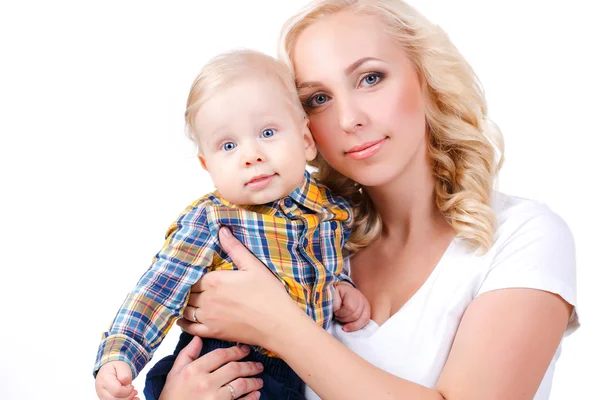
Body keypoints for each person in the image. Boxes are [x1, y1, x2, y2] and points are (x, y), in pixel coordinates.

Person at [150, 0, 579, 399]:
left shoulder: (523, 236)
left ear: (426, 78)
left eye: (370, 78)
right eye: (318, 99)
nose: (349, 119)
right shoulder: (306, 236)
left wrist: (278, 324)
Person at [93, 49, 371, 400]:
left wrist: (340, 288)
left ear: (305, 140)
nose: (250, 155)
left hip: (299, 369)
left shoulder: (330, 210)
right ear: (207, 166)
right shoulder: (212, 219)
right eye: (228, 145)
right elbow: (158, 291)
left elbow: (323, 265)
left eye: (268, 132)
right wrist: (119, 356)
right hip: (225, 364)